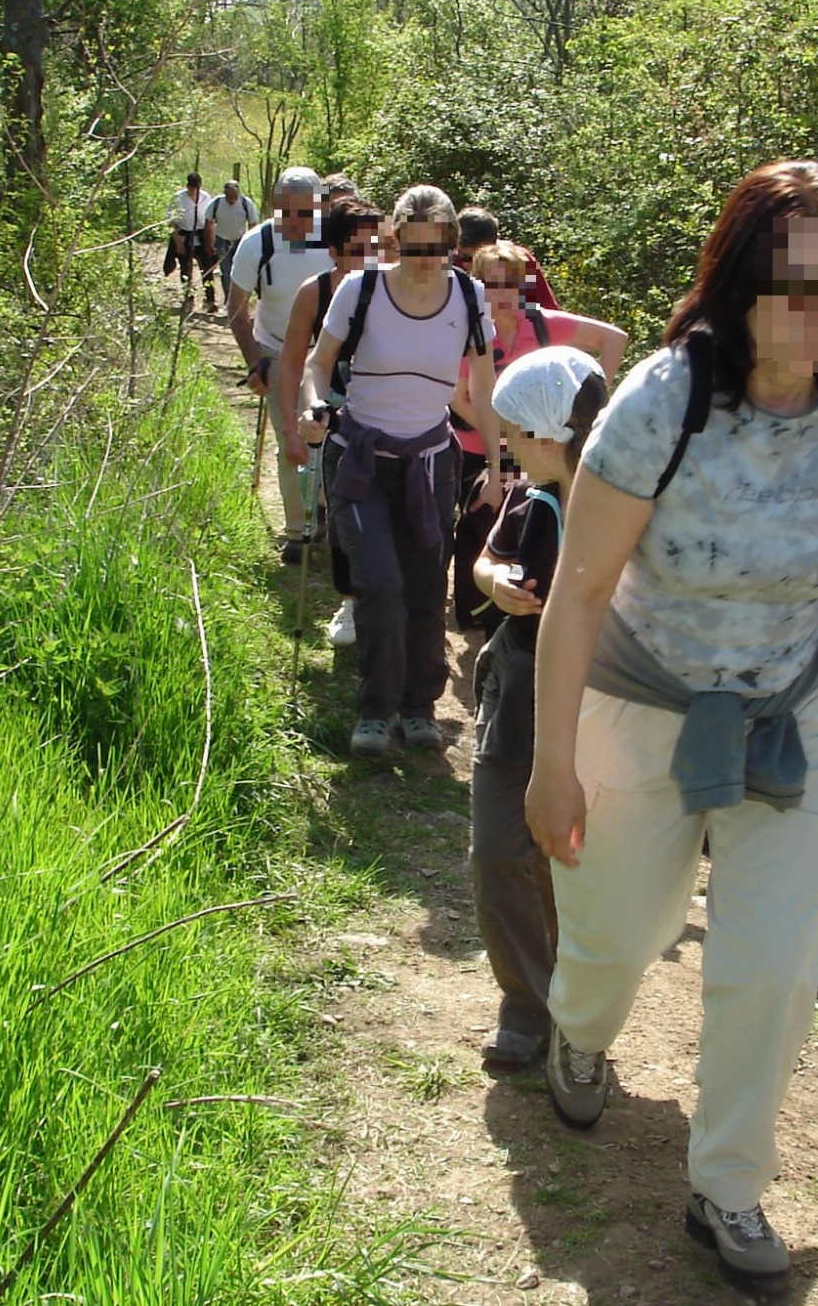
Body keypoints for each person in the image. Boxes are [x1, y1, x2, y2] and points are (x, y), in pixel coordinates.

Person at [524, 160, 818, 1296]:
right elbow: (580, 593)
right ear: (740, 282)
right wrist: (551, 764)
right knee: (622, 934)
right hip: (641, 698)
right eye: (795, 286)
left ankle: (728, 1184)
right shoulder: (664, 401)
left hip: (791, 709)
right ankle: (578, 1030)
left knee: (776, 966)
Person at [300, 185, 505, 758]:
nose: (424, 262)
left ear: (452, 245)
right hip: (360, 459)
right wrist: (312, 406)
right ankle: (375, 712)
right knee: (380, 584)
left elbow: (484, 387)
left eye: (436, 249)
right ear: (395, 241)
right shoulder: (361, 290)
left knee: (424, 588)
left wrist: (497, 467)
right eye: (413, 249)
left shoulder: (468, 296)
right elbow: (318, 363)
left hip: (431, 464)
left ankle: (418, 709)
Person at [467, 346, 609, 1068]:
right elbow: (486, 560)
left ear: (550, 433)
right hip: (517, 686)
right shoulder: (529, 499)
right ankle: (526, 1002)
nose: (510, 448)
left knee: (573, 857)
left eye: (518, 433)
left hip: (599, 697)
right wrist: (494, 584)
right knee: (498, 850)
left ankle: (577, 1006)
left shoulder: (623, 509)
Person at [450, 240, 628, 633]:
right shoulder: (469, 330)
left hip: (544, 446)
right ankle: (481, 615)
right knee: (480, 523)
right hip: (480, 446)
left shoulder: (542, 323)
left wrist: (587, 407)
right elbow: (459, 396)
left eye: (509, 283)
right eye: (491, 284)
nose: (500, 293)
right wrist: (506, 436)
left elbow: (615, 338)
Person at [275, 193, 383, 647]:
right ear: (334, 251)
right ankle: (352, 600)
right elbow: (292, 363)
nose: (370, 258)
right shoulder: (315, 293)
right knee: (342, 511)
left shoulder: (396, 291)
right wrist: (292, 428)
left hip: (388, 414)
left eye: (377, 246)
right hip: (336, 415)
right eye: (359, 249)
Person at [228, 166, 333, 562]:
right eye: (287, 211)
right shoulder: (257, 243)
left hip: (327, 353)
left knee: (331, 439)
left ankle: (323, 512)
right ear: (276, 205)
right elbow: (236, 309)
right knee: (293, 440)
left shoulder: (336, 239)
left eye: (305, 212)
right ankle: (297, 532)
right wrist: (255, 364)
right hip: (275, 350)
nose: (295, 221)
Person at [166, 172, 214, 309]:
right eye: (191, 188)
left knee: (207, 268)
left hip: (201, 236)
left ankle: (210, 300)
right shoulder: (178, 198)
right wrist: (178, 242)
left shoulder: (205, 198)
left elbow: (210, 220)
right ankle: (188, 298)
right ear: (187, 186)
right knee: (185, 269)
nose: (194, 191)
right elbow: (171, 222)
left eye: (196, 188)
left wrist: (210, 240)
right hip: (184, 237)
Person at [204, 177, 258, 295]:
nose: (233, 199)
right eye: (230, 196)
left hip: (241, 242)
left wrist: (252, 244)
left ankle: (242, 298)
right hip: (222, 241)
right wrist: (209, 243)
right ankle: (228, 298)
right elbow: (208, 223)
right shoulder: (216, 203)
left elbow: (253, 224)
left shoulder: (246, 203)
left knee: (242, 271)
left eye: (235, 196)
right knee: (226, 272)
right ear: (225, 193)